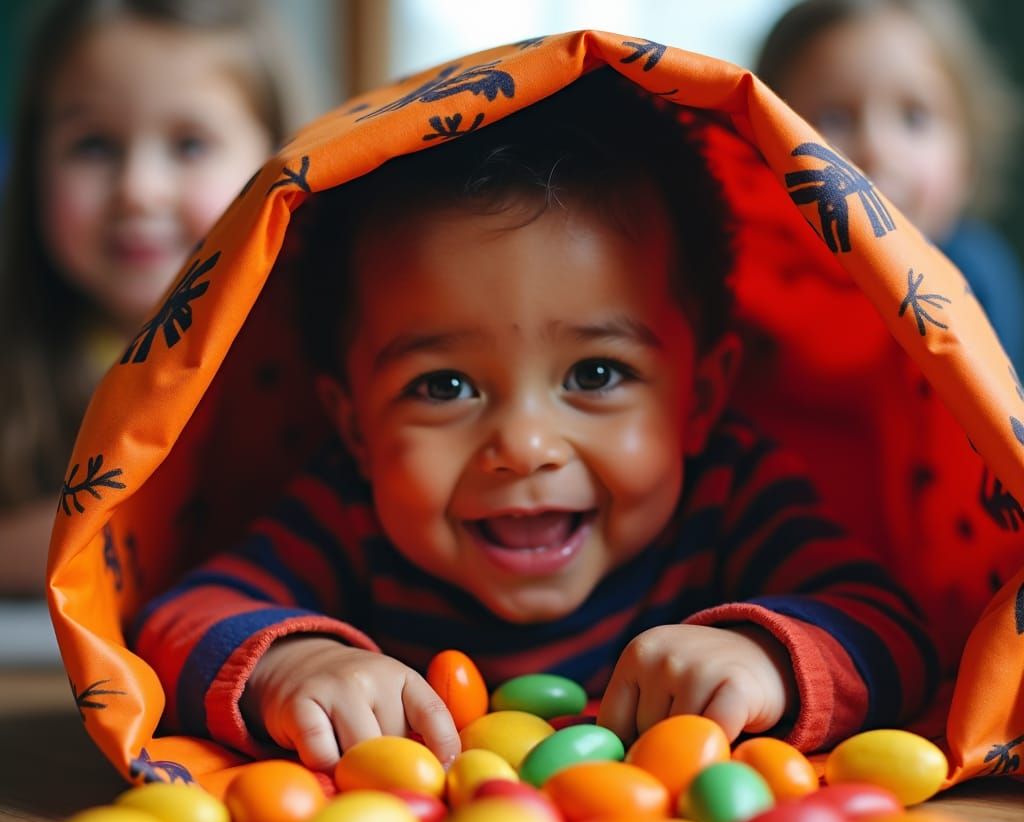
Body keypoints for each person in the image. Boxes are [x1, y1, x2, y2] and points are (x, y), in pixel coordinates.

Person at [131, 70, 938, 771]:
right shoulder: (351, 513)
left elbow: (894, 628)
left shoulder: (728, 493)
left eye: (596, 374)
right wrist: (293, 666)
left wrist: (767, 658)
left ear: (697, 397)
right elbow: (176, 621)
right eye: (443, 385)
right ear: (353, 425)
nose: (523, 448)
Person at [0, 0, 303, 596]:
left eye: (190, 145)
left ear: (277, 162)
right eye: (94, 146)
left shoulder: (317, 352)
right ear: (35, 163)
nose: (139, 190)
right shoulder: (16, 367)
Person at [756, 0, 1024, 369]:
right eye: (833, 117)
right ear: (761, 146)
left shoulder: (979, 280)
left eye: (914, 117)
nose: (876, 148)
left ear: (967, 162)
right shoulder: (745, 282)